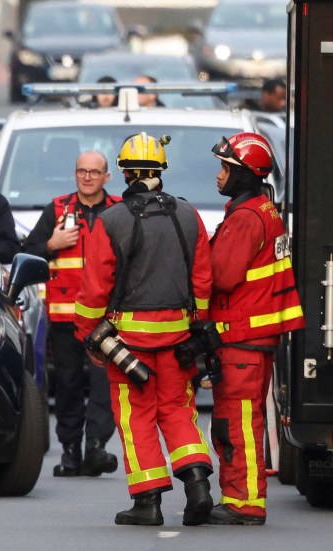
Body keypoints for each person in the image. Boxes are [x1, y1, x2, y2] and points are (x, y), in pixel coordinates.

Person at [74, 132, 216, 527]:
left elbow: (94, 287)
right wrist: (197, 325)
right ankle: (199, 485)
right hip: (179, 339)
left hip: (128, 343)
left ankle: (147, 501)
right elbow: (202, 278)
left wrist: (89, 335)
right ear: (161, 170)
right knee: (177, 411)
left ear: (124, 172)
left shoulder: (112, 220)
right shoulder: (188, 214)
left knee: (137, 418)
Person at [207, 133, 304, 525]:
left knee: (237, 421)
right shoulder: (263, 210)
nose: (219, 175)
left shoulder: (246, 218)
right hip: (254, 335)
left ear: (246, 174)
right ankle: (241, 496)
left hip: (242, 336)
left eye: (226, 168)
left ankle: (244, 501)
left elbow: (222, 276)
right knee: (243, 418)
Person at [23, 151, 121, 478]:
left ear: (107, 177)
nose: (88, 177)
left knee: (103, 383)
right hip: (66, 319)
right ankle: (69, 452)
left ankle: (95, 446)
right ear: (75, 174)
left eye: (94, 172)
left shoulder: (119, 210)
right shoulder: (57, 210)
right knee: (67, 385)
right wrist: (50, 244)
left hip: (106, 320)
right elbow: (26, 254)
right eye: (82, 171)